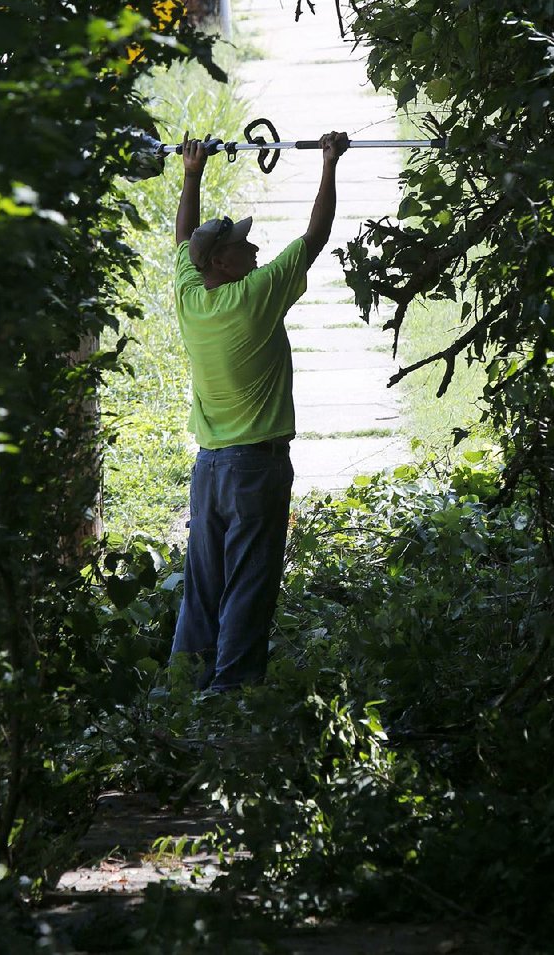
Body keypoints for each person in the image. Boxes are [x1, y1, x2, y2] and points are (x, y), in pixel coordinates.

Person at [170, 128, 349, 690]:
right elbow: (315, 237)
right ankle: (232, 694)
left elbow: (182, 240)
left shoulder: (190, 295)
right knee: (250, 580)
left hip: (209, 469)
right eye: (243, 245)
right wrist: (329, 163)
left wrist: (192, 174)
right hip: (255, 469)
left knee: (204, 580)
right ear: (222, 262)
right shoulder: (254, 295)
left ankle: (183, 686)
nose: (255, 248)